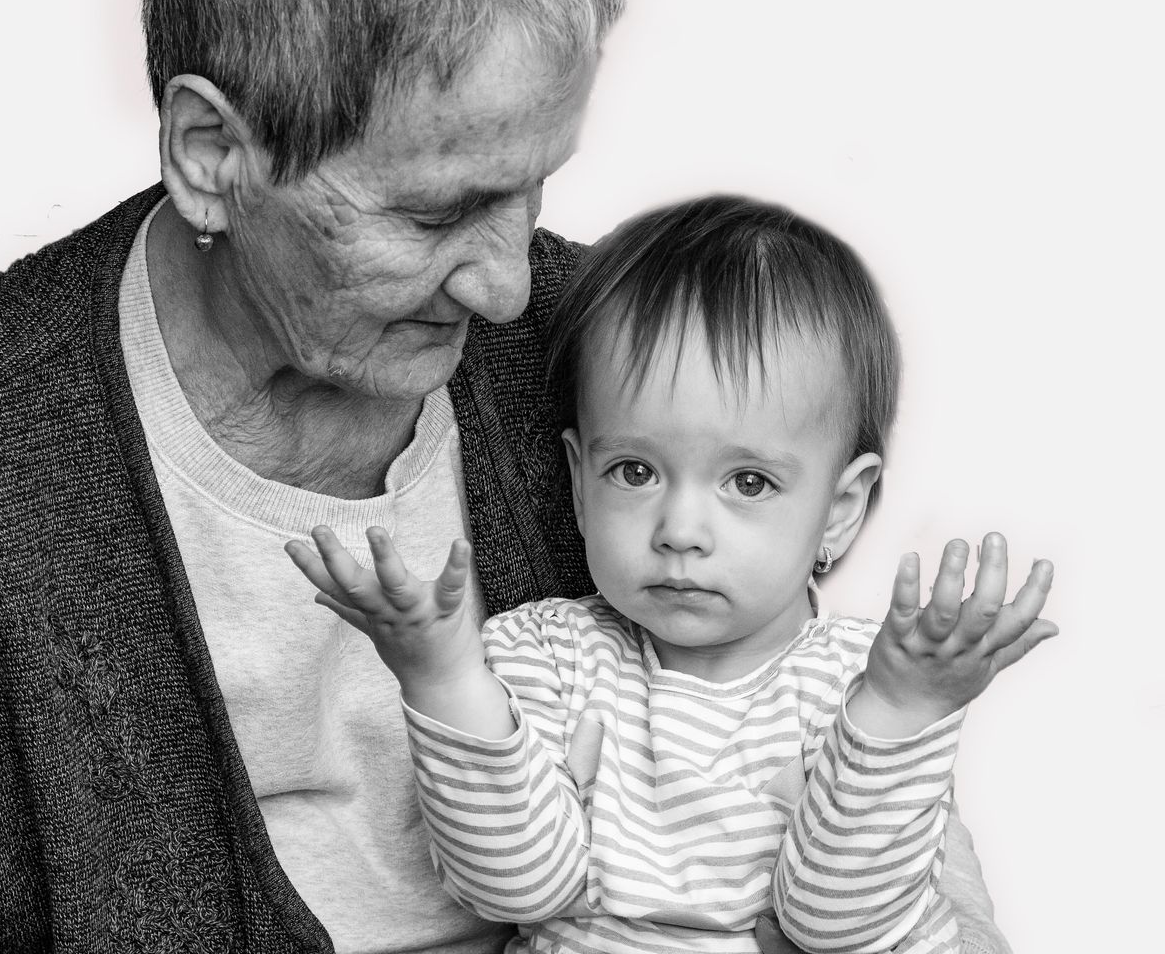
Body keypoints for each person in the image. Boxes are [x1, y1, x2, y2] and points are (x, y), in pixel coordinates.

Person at [0, 0, 1010, 952]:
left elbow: (890, 852)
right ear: (214, 156)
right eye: (438, 213)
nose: (511, 285)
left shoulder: (621, 362)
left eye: (532, 191)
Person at [289, 195, 1057, 953]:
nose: (680, 531)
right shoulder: (542, 656)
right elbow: (519, 889)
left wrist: (900, 709)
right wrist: (443, 679)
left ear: (839, 509)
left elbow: (835, 925)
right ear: (579, 483)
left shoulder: (864, 687)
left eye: (748, 483)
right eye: (635, 472)